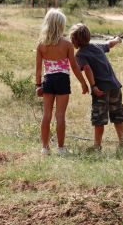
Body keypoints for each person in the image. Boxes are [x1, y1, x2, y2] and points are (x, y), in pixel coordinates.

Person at [36, 9, 88, 155]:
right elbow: (75, 67)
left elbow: (38, 69)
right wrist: (83, 83)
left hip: (48, 80)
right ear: (61, 25)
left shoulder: (41, 44)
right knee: (60, 116)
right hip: (62, 80)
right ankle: (60, 148)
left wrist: (38, 85)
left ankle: (45, 148)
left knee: (46, 115)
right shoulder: (67, 45)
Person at [69, 23, 123, 152]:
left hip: (100, 89)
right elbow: (109, 44)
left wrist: (92, 86)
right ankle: (122, 142)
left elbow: (87, 68)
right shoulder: (97, 46)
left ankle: (97, 145)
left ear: (74, 40)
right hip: (115, 86)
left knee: (99, 119)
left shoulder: (80, 55)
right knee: (117, 115)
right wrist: (117, 39)